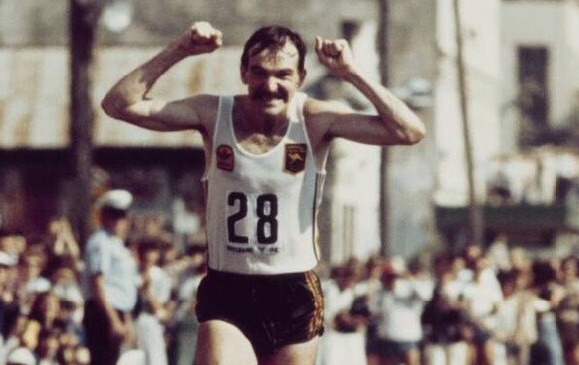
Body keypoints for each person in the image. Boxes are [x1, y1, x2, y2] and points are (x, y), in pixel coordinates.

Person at [102, 21, 425, 365]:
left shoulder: (315, 119)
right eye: (259, 73)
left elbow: (409, 131)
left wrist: (351, 72)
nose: (270, 86)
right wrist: (180, 49)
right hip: (228, 288)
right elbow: (118, 104)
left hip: (292, 290)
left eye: (282, 75)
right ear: (243, 72)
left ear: (300, 77)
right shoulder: (214, 113)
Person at [82, 189, 139, 365]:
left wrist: (126, 319)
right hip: (103, 313)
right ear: (103, 216)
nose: (118, 221)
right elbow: (97, 284)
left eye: (121, 215)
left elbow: (124, 288)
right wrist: (113, 319)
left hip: (117, 312)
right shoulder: (100, 241)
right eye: (113, 215)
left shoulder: (117, 244)